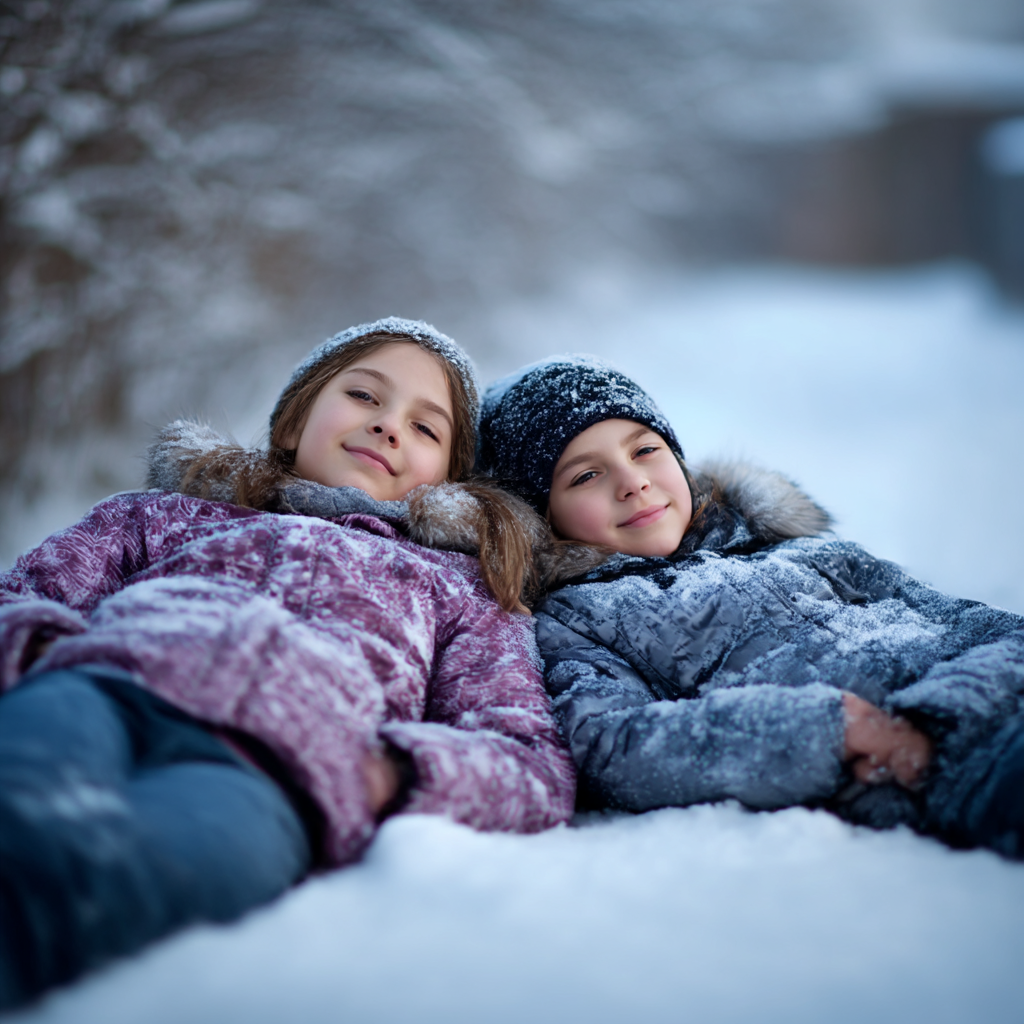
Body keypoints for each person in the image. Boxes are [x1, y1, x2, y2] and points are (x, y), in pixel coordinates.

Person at [0, 318, 574, 1009]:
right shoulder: (163, 516)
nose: (390, 426)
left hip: (269, 778)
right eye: (365, 396)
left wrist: (399, 772)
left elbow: (529, 756)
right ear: (297, 417)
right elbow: (25, 594)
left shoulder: (460, 590)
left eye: (427, 428)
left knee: (116, 883)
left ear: (447, 480)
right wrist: (40, 652)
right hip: (97, 694)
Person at [476, 355, 1024, 858]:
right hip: (937, 768)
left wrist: (940, 710)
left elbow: (977, 625)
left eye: (645, 449)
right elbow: (615, 746)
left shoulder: (802, 550)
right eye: (586, 475)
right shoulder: (582, 620)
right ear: (539, 517)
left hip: (979, 702)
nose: (634, 482)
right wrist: (829, 729)